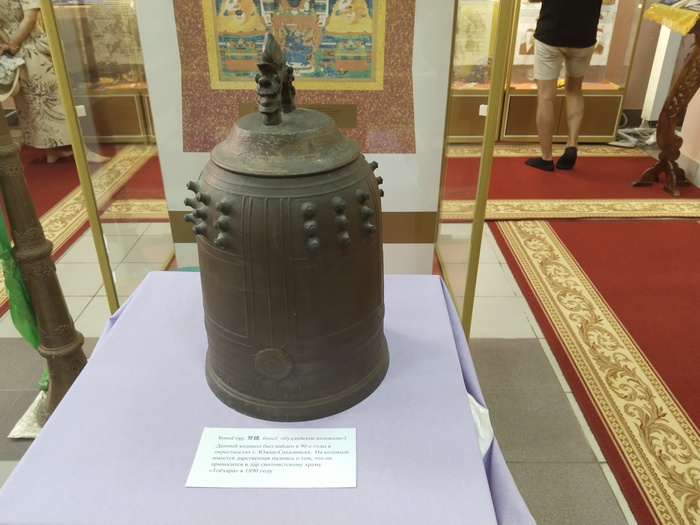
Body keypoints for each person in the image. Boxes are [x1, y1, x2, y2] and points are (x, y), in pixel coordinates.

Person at [0, 0, 107, 164]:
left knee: (35, 104)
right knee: (57, 101)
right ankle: (83, 152)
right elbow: (30, 18)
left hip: (13, 54)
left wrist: (5, 45)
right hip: (30, 49)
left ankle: (52, 152)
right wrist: (13, 44)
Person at [524, 0, 603, 172]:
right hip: (584, 35)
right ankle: (571, 145)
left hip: (551, 34)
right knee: (574, 90)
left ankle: (546, 158)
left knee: (546, 96)